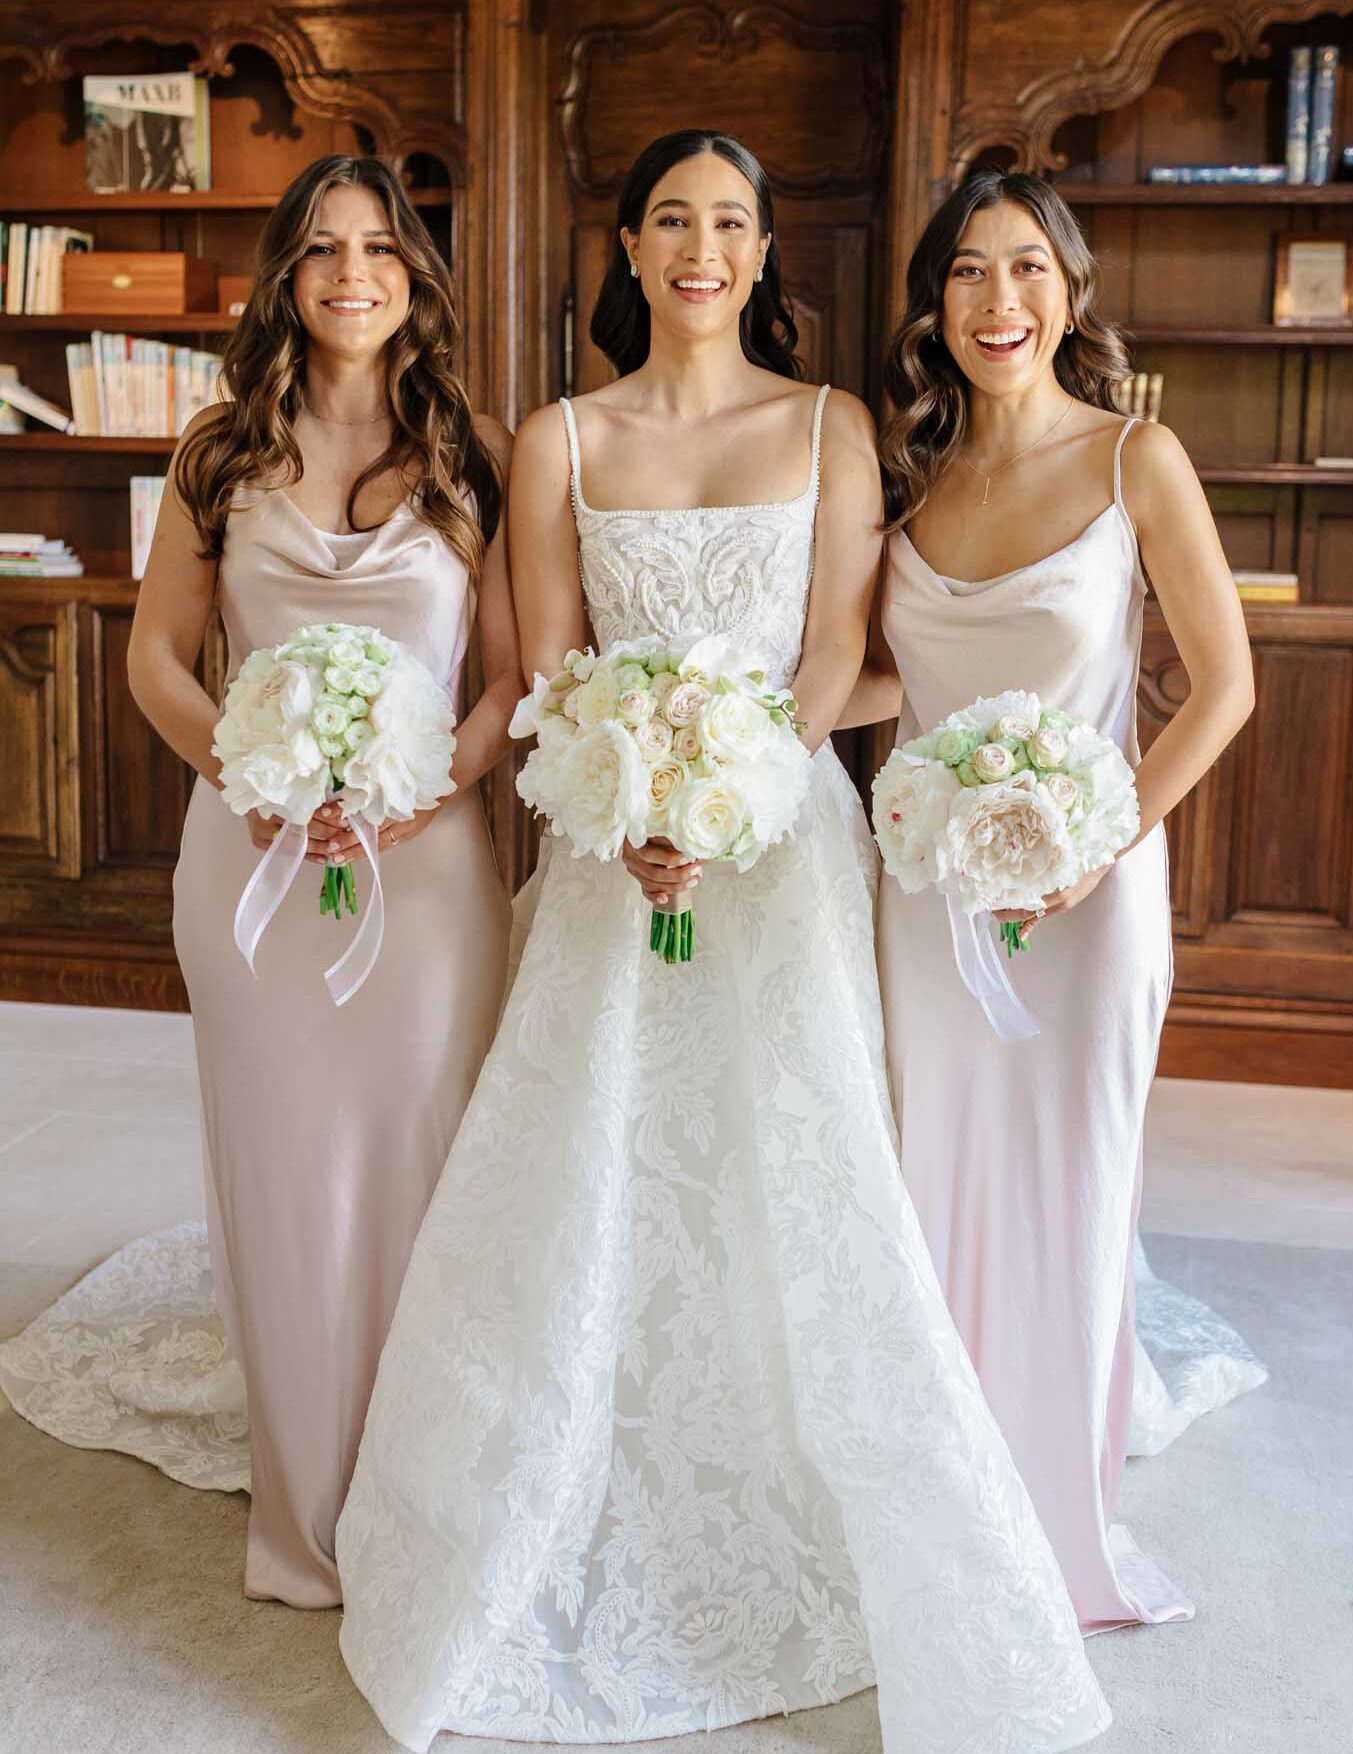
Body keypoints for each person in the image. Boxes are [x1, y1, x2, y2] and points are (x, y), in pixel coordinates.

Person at [335, 131, 1109, 1754]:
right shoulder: (557, 436)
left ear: (763, 255)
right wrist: (631, 803)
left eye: (732, 223)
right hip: (612, 844)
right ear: (627, 246)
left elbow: (833, 650)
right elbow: (552, 661)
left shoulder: (829, 426)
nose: (702, 247)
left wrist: (736, 785)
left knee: (806, 1164)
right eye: (672, 221)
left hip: (783, 844)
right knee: (591, 1159)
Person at [843, 169, 1258, 1632]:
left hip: (1089, 901)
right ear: (935, 301)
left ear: (1069, 291)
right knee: (933, 1189)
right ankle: (940, 1508)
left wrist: (1104, 839)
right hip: (926, 897)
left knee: (1072, 1198)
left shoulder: (1137, 456)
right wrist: (735, 721)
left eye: (1026, 267)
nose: (997, 298)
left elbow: (1224, 687)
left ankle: (1056, 1537)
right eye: (967, 270)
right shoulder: (907, 475)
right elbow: (886, 675)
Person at [117, 153, 516, 1607]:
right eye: (324, 250)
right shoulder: (217, 450)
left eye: (381, 250)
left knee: (419, 1166)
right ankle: (302, 1519)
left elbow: (511, 679)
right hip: (253, 868)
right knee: (285, 1174)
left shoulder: (475, 449)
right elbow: (157, 660)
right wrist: (253, 776)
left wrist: (420, 793)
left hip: (428, 877)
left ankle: (420, 1496)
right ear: (286, 276)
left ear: (416, 277)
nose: (354, 274)